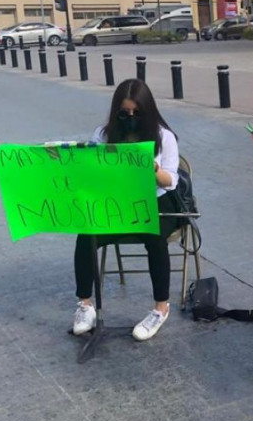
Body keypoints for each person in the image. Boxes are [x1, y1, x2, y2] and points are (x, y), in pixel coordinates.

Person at [72, 78, 181, 342]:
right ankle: (85, 304)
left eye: (136, 113)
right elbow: (91, 173)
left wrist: (154, 171)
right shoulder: (104, 134)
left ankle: (161, 308)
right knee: (86, 235)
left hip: (155, 199)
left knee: (156, 239)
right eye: (124, 113)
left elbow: (172, 180)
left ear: (147, 111)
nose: (130, 117)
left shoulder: (163, 137)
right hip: (116, 202)